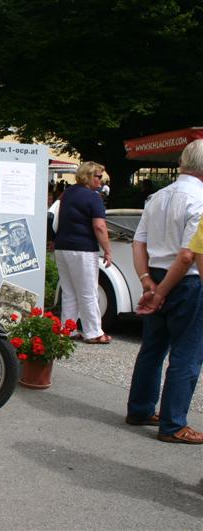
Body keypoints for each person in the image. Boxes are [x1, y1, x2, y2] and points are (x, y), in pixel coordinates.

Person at [126, 139, 203, 444]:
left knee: (153, 347)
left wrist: (148, 281)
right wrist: (162, 291)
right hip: (184, 280)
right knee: (187, 352)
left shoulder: (158, 196)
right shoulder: (199, 199)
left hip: (156, 273)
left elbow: (138, 241)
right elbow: (188, 255)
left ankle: (141, 408)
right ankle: (173, 423)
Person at [53, 161, 113, 343]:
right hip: (83, 248)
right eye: (98, 176)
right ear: (88, 176)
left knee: (69, 291)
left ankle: (67, 329)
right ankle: (94, 332)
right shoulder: (93, 197)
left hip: (62, 247)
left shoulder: (68, 193)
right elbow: (100, 226)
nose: (101, 181)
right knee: (88, 291)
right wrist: (108, 250)